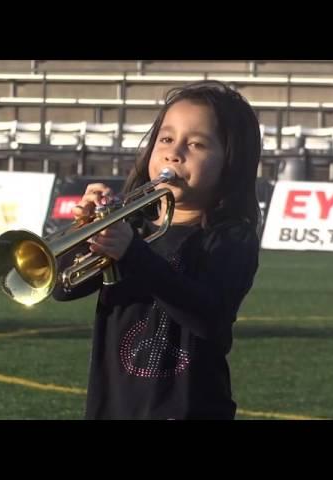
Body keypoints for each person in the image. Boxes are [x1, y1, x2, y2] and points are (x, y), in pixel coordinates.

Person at [53, 80, 261, 420]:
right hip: (113, 408)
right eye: (166, 139)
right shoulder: (132, 227)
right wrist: (83, 231)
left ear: (230, 163)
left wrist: (133, 253)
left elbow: (209, 316)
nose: (173, 152)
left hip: (190, 410)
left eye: (196, 144)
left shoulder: (230, 239)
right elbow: (63, 287)